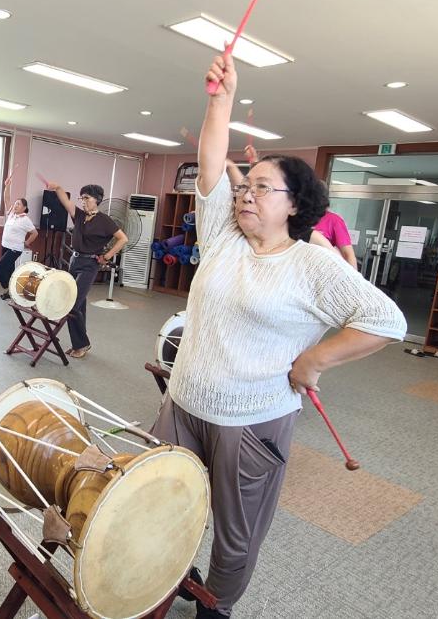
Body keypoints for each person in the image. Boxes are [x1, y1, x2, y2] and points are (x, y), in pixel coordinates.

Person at [152, 54, 406, 619]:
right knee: (159, 504)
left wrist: (314, 361)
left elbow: (387, 321)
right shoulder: (222, 236)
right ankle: (163, 577)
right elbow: (213, 164)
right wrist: (220, 99)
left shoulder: (315, 265)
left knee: (236, 535)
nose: (246, 195)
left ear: (296, 205)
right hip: (183, 401)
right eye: (248, 187)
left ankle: (214, 607)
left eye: (263, 188)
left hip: (252, 418)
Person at [44, 181, 129, 359]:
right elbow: (65, 203)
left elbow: (123, 239)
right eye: (81, 198)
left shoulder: (105, 221)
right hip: (74, 262)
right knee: (79, 305)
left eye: (87, 198)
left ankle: (81, 344)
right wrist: (58, 188)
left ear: (97, 200)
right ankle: (80, 344)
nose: (83, 201)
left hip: (90, 265)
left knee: (72, 304)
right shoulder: (80, 216)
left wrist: (107, 256)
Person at [0, 174, 38, 299]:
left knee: (0, 265)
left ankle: (6, 286)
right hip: (5, 245)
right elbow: (6, 198)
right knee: (9, 270)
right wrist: (7, 185)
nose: (15, 205)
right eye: (15, 204)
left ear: (24, 208)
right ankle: (11, 292)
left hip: (15, 248)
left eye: (18, 204)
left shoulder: (25, 219)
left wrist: (27, 243)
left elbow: (35, 233)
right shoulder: (11, 214)